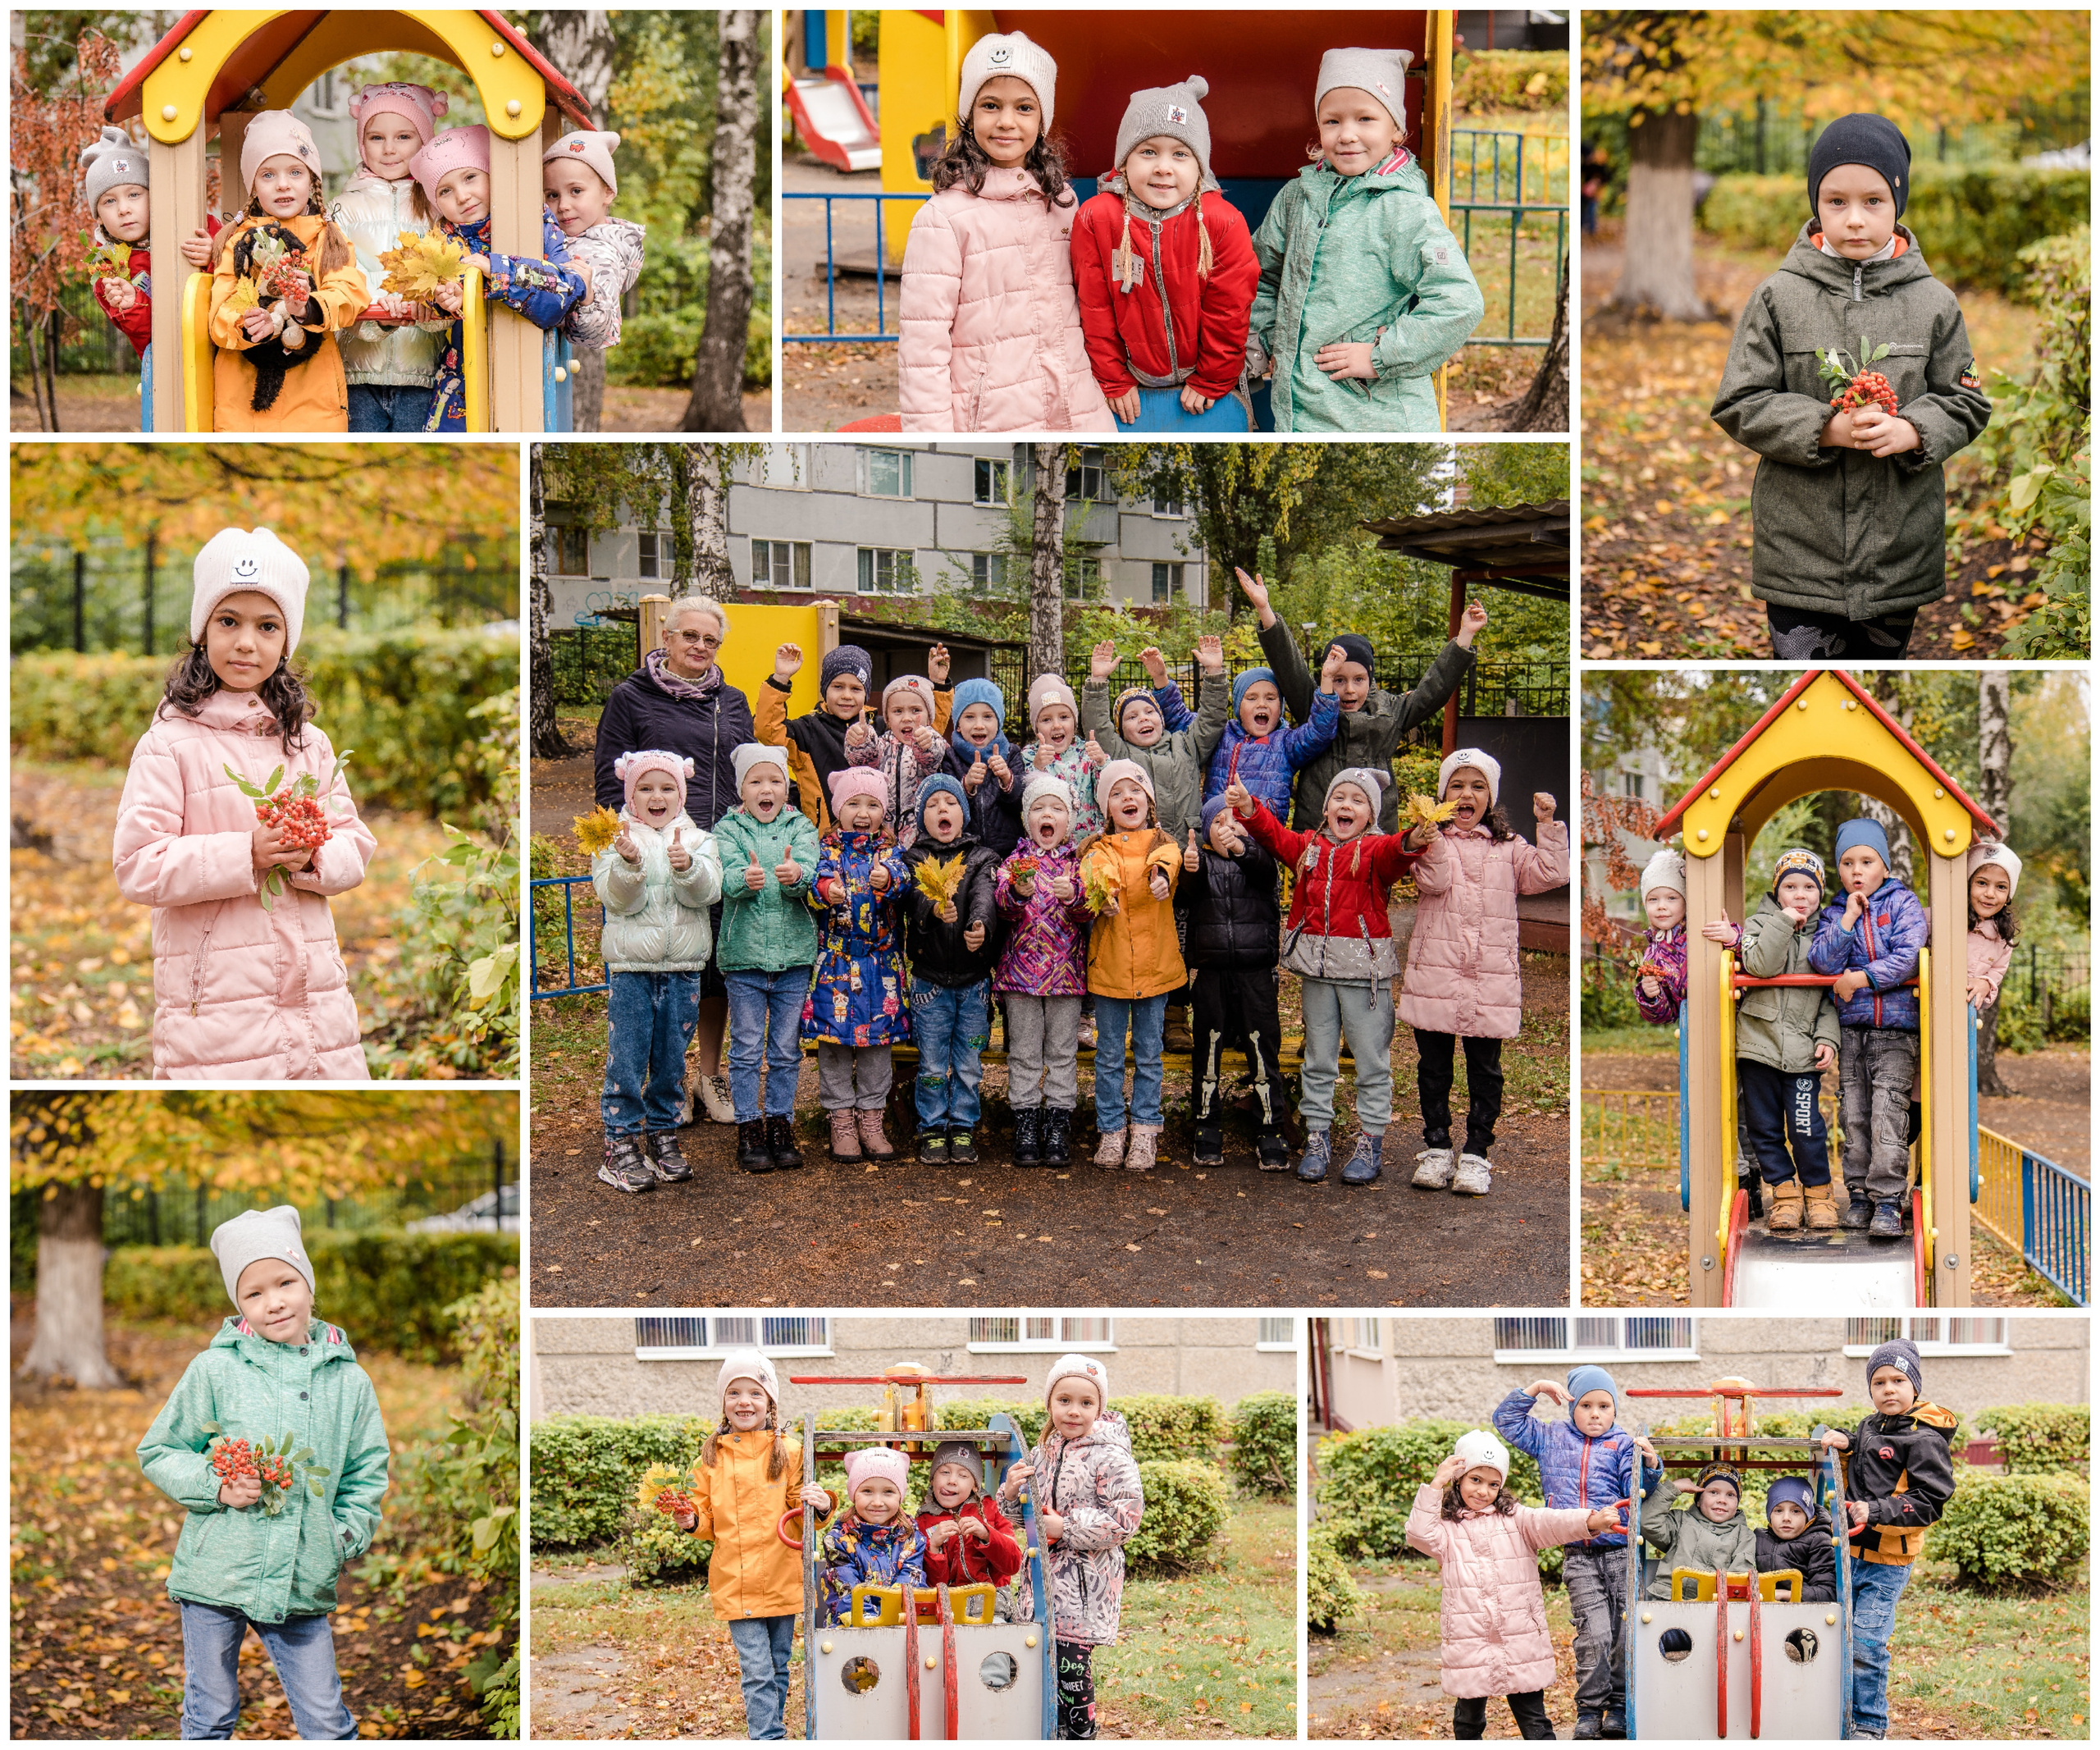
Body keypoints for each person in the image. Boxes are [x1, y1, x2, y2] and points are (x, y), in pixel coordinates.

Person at [1710, 114, 1993, 660]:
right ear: (1816, 203)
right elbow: (1739, 401)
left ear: (1898, 204)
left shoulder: (1935, 302)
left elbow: (1967, 400)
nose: (1855, 219)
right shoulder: (1777, 297)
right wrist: (1826, 427)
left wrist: (1914, 429)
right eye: (1836, 201)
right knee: (1804, 685)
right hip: (1800, 555)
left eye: (1874, 201)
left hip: (1899, 552)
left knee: (1874, 682)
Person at [113, 528, 375, 1079]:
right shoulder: (168, 743)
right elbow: (138, 864)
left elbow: (354, 841)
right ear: (202, 630)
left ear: (286, 641)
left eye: (267, 625)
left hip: (316, 1008)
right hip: (216, 1015)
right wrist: (245, 854)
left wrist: (314, 856)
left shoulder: (309, 743)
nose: (246, 642)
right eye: (228, 620)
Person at [136, 1207, 388, 1739]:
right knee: (211, 1711)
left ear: (309, 1284)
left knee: (326, 1719)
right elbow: (160, 1448)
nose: (274, 1300)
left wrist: (339, 1537)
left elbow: (366, 1473)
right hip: (215, 1573)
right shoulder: (215, 1369)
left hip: (301, 1576)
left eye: (285, 1282)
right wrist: (217, 1485)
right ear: (239, 1305)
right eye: (253, 1292)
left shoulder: (350, 1382)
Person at [1248, 48, 1484, 433]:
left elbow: (1460, 301)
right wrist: (1270, 340)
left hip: (1377, 418)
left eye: (1365, 119)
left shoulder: (1404, 210)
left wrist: (1380, 355)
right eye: (1332, 120)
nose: (1347, 134)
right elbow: (1261, 275)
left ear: (1396, 129)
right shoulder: (1297, 197)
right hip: (1300, 414)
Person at [898, 32, 1115, 433]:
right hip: (993, 421)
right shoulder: (944, 219)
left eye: (1024, 107)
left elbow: (1094, 305)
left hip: (1078, 409)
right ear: (970, 115)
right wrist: (933, 439)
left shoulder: (1062, 202)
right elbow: (923, 349)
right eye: (991, 105)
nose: (1006, 121)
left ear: (1042, 119)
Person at [596, 597, 756, 1126]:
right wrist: (629, 845)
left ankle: (709, 1077)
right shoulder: (631, 697)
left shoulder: (732, 702)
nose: (700, 647)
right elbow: (608, 781)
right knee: (656, 974)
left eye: (711, 640)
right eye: (690, 636)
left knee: (713, 971)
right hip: (652, 856)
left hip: (714, 853)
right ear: (666, 636)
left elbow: (748, 773)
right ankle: (665, 1083)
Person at [1234, 765, 1422, 1184]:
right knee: (1318, 1060)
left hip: (1363, 975)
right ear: (1326, 806)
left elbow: (1398, 852)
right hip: (1317, 973)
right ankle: (1317, 1136)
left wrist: (1414, 839)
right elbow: (1276, 836)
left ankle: (1370, 1140)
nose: (1347, 805)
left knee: (1372, 1063)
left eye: (1358, 800)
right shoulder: (1311, 847)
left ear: (1370, 813)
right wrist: (1249, 808)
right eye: (1340, 797)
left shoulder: (1375, 850)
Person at [1402, 752, 1568, 1195]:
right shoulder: (1428, 842)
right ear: (1443, 795)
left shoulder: (1510, 845)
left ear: (1490, 797)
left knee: (1485, 1069)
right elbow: (1433, 884)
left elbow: (1552, 873)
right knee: (1433, 1067)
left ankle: (1476, 1153)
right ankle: (1437, 1148)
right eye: (1456, 786)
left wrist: (1548, 826)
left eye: (1477, 786)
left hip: (1490, 974)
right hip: (1438, 972)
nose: (1466, 794)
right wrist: (1430, 840)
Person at [1405, 1430, 1626, 1743]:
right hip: (1469, 1639)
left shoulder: (1517, 1520)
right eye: (1475, 1480)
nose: (1483, 1491)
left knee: (1535, 1720)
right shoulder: (1446, 1530)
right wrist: (1435, 1485)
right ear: (1459, 1480)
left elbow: (1552, 1521)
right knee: (1468, 1721)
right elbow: (1417, 1535)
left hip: (1519, 1635)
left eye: (1493, 1484)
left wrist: (1591, 1521)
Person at [661, 1350, 833, 1740]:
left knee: (777, 1664)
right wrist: (691, 1520)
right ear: (723, 1402)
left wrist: (819, 1505)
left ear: (770, 1402)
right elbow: (706, 1519)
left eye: (755, 1393)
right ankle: (768, 1737)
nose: (744, 1402)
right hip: (735, 1581)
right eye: (734, 1393)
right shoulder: (710, 1459)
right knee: (756, 1669)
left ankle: (773, 1728)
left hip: (782, 1576)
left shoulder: (789, 1452)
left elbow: (801, 1513)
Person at [1071, 74, 1258, 428]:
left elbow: (1230, 310)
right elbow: (1093, 308)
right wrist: (1113, 378)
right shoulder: (1096, 218)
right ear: (1124, 162)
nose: (1163, 167)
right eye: (1148, 151)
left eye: (1181, 154)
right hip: (1131, 378)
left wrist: (1213, 378)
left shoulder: (1222, 221)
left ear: (1200, 166)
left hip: (1204, 381)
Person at [1238, 567, 1483, 833]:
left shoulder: (1391, 710)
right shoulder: (1314, 704)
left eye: (1358, 680)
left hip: (1374, 828)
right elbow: (1288, 664)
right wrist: (1265, 610)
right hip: (1319, 827)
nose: (1349, 690)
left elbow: (1434, 689)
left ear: (1371, 679)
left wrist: (1465, 636)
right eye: (1339, 680)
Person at [1492, 1370, 1661, 1740]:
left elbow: (1640, 1492)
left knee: (1621, 1634)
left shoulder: (1622, 1444)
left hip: (1619, 1554)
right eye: (1586, 1405)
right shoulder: (1551, 1438)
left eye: (1604, 1406)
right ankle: (1589, 1710)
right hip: (1579, 1557)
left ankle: (1618, 1706)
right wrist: (1534, 1389)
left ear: (1615, 1409)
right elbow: (1505, 1421)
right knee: (1594, 1635)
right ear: (1572, 1408)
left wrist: (1649, 1465)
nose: (1596, 1414)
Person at [591, 751, 724, 1193]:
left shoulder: (699, 838)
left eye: (667, 787)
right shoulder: (613, 838)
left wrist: (687, 869)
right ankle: (620, 1142)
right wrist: (629, 866)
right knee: (627, 1057)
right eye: (645, 788)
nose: (656, 796)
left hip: (683, 967)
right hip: (632, 969)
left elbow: (707, 892)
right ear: (631, 793)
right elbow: (617, 901)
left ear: (681, 793)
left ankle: (663, 1133)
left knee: (670, 1060)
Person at [1813, 1337, 1957, 1740]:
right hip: (1851, 1553)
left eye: (1898, 1380)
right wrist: (1845, 1439)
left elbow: (1930, 1502)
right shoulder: (1871, 1426)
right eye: (1879, 1382)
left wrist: (1873, 1511)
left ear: (1915, 1386)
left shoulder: (1924, 1439)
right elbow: (1863, 1452)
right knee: (1838, 1631)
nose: (1888, 1389)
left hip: (1888, 1560)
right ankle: (1836, 1710)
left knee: (1866, 1640)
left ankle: (1870, 1725)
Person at [996, 1355, 1144, 1739]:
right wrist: (1011, 1493)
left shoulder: (1110, 1455)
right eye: (1064, 1400)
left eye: (1085, 1402)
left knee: (1071, 1670)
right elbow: (1021, 1516)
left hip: (1084, 1589)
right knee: (1037, 1667)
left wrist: (1067, 1526)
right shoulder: (1043, 1451)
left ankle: (1080, 1736)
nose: (1074, 1411)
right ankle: (1047, 1733)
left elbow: (1125, 1519)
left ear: (1100, 1407)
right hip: (1041, 1586)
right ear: (1049, 1403)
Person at [1701, 848, 1842, 1232]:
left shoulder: (1827, 936)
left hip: (1801, 1052)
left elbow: (1829, 997)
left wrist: (1828, 1036)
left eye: (1809, 887)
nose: (1801, 895)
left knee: (1806, 1127)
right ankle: (1784, 1195)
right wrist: (1783, 922)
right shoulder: (1761, 924)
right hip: (1757, 1046)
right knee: (1764, 1129)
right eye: (1791, 886)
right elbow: (1762, 965)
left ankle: (1818, 1194)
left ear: (1820, 892)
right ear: (1778, 893)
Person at [410, 124, 585, 430]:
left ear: (493, 175)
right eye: (445, 191)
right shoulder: (439, 242)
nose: (463, 196)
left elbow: (565, 292)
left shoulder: (533, 221)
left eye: (470, 177)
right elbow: (427, 301)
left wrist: (499, 269)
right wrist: (442, 302)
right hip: (462, 381)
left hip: (527, 372)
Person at [205, 112, 369, 432]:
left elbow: (349, 292)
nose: (283, 184)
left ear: (312, 180)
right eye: (267, 175)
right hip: (243, 401)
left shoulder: (327, 239)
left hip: (314, 398)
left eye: (295, 172)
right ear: (253, 185)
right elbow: (220, 312)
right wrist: (248, 323)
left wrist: (307, 307)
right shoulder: (237, 242)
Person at [1808, 818, 1927, 1236]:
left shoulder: (1902, 904)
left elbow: (1909, 956)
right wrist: (1847, 920)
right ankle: (1858, 1194)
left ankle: (1889, 1199)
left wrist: (1860, 978)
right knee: (1854, 1116)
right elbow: (1822, 961)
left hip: (1896, 1033)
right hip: (1852, 1031)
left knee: (1887, 1114)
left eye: (1867, 861)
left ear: (1886, 867)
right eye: (1847, 863)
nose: (1857, 871)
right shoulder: (1835, 912)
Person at [714, 743, 822, 1172]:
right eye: (756, 781)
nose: (766, 789)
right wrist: (744, 878)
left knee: (784, 1048)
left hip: (794, 958)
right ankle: (748, 1127)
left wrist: (798, 877)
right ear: (742, 788)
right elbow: (723, 874)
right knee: (744, 1047)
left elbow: (811, 872)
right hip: (744, 958)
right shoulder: (728, 828)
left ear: (786, 786)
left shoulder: (801, 826)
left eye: (775, 780)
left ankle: (781, 1122)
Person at [1080, 763, 1186, 1172]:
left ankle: (1144, 1131)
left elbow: (1165, 861)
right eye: (1117, 792)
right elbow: (1097, 870)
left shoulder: (1164, 846)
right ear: (1106, 807)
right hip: (1110, 971)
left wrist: (1160, 876)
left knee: (1149, 1054)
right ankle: (1111, 1131)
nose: (1128, 798)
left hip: (1154, 970)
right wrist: (1103, 894)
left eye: (1135, 790)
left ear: (1149, 802)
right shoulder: (1098, 848)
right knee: (1108, 1056)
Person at [330, 84, 453, 431]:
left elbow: (449, 282)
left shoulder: (436, 209)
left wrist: (429, 309)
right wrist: (381, 314)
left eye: (403, 137)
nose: (388, 149)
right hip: (356, 371)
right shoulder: (343, 208)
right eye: (375, 137)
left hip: (422, 373)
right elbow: (338, 280)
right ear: (362, 142)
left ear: (424, 142)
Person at [806, 767, 911, 1163]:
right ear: (839, 809)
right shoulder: (827, 850)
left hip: (880, 965)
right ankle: (841, 1120)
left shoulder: (890, 850)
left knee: (876, 1049)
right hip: (837, 965)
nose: (863, 812)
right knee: (834, 1045)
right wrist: (824, 889)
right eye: (853, 803)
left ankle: (871, 1118)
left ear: (883, 811)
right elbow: (815, 884)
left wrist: (890, 880)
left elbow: (905, 881)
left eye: (872, 804)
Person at [899, 774, 1005, 1163]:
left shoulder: (981, 858)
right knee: (930, 1062)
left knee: (968, 1062)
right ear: (920, 818)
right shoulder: (912, 859)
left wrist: (979, 926)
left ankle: (962, 1126)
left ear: (963, 813)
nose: (942, 809)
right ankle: (932, 1127)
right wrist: (931, 910)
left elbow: (985, 896)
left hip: (974, 982)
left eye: (950, 802)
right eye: (932, 804)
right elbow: (911, 897)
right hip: (929, 982)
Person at [1180, 793, 1289, 1169]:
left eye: (1237, 821)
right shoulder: (1201, 862)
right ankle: (1207, 1125)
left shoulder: (1260, 860)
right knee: (1207, 1051)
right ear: (1206, 834)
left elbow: (1265, 871)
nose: (1229, 829)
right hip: (1210, 973)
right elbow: (1185, 895)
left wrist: (1244, 848)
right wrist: (1189, 868)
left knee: (1262, 1052)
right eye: (1219, 823)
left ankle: (1270, 1127)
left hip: (1256, 973)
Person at [994, 777, 1093, 1168]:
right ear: (1026, 819)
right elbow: (1002, 906)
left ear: (1069, 821)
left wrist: (1077, 898)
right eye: (1038, 809)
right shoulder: (1014, 864)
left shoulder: (1078, 865)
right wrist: (1017, 892)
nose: (1047, 815)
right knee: (1023, 1052)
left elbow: (1091, 909)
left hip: (1066, 979)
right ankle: (1025, 1120)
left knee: (1062, 1052)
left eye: (1056, 809)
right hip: (1020, 978)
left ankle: (1057, 1122)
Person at [80, 126, 219, 372]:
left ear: (153, 196)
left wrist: (215, 255)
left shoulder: (191, 224)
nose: (124, 209)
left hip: (222, 352)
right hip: (170, 373)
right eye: (109, 201)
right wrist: (132, 304)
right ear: (98, 216)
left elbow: (236, 274)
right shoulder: (109, 270)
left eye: (134, 194)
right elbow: (148, 338)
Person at [1202, 647, 1344, 820]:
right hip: (1218, 827)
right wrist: (1212, 672)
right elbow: (1184, 721)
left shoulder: (1285, 743)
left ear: (1281, 707)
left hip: (1261, 835)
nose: (1262, 704)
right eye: (1252, 698)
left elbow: (1319, 732)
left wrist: (1327, 679)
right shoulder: (1223, 734)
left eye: (1270, 698)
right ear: (1238, 707)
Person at [756, 640, 880, 832]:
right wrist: (780, 679)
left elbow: (919, 738)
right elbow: (768, 732)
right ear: (824, 690)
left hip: (873, 840)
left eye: (856, 689)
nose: (847, 695)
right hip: (821, 840)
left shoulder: (879, 727)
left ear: (866, 693)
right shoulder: (807, 730)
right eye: (838, 687)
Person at [543, 130, 646, 356]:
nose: (563, 205)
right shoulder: (560, 236)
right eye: (552, 195)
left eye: (576, 191)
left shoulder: (603, 256)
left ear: (607, 192)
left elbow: (599, 335)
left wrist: (588, 297)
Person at [845, 662, 964, 846]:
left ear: (929, 716)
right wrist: (860, 742)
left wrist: (925, 745)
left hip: (922, 839)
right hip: (883, 837)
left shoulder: (933, 740)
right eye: (898, 711)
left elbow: (933, 759)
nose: (907, 718)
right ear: (888, 718)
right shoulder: (881, 743)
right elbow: (862, 762)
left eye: (915, 710)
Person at [815, 1447, 930, 1627]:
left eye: (888, 1492)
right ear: (854, 1494)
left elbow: (911, 1580)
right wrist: (872, 1624)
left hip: (899, 1623)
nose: (877, 1502)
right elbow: (846, 1590)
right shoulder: (839, 1541)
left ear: (900, 1495)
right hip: (853, 1625)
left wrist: (891, 1618)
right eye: (867, 1491)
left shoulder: (911, 1537)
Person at [1639, 1461, 1760, 1600]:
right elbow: (1648, 1522)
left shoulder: (1744, 1536)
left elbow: (1738, 1577)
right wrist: (1674, 1488)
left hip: (1714, 1607)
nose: (1722, 1500)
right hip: (1668, 1600)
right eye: (1713, 1492)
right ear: (1698, 1499)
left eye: (1731, 1495)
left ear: (1737, 1503)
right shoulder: (1680, 1521)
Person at [917, 1440, 1024, 1590]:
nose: (952, 1481)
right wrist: (934, 1547)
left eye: (963, 1475)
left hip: (992, 1600)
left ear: (975, 1485)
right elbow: (933, 1585)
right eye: (945, 1472)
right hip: (950, 1604)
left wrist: (987, 1534)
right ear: (933, 1479)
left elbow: (1013, 1565)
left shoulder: (993, 1510)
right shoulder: (923, 1522)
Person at [950, 676, 1025, 855]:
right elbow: (947, 808)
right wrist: (966, 785)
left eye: (988, 717)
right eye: (969, 717)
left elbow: (1022, 802)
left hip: (1007, 850)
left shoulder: (1011, 754)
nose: (979, 725)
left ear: (999, 722)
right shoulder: (951, 757)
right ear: (958, 725)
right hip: (966, 851)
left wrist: (1007, 779)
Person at [1755, 1477, 1838, 1604]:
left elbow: (1827, 1592)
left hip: (1803, 1614)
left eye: (1796, 1511)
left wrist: (1786, 1594)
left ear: (1808, 1516)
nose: (1786, 1518)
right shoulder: (1758, 1538)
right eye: (1778, 1510)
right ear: (1769, 1515)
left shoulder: (1818, 1542)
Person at [1633, 848, 1689, 1025]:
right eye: (1653, 899)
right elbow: (1667, 1015)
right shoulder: (1652, 956)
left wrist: (1732, 936)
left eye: (1672, 898)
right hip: (1692, 1032)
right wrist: (1651, 996)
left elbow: (1743, 949)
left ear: (1686, 901)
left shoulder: (1700, 932)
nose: (1661, 906)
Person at [1964, 842, 2020, 1013]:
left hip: (1963, 1015)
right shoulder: (1941, 918)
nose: (1990, 893)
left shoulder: (2003, 939)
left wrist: (1986, 984)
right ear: (1968, 884)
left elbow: (1996, 973)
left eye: (2001, 887)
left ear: (2008, 896)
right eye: (1982, 883)